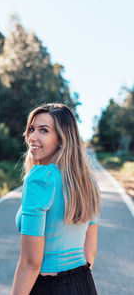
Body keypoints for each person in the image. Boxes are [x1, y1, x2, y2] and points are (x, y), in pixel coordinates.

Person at [11, 103, 100, 295]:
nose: (32, 137)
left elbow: (30, 263)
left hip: (48, 287)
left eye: (44, 130)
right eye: (32, 129)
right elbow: (89, 252)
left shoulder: (40, 179)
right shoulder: (87, 182)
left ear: (62, 139)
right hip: (84, 283)